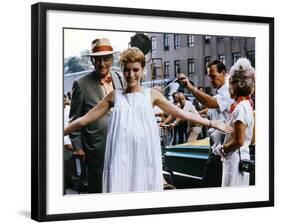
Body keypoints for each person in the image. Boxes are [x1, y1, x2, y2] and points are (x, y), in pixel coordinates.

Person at [65, 47, 232, 193]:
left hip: (144, 156)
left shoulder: (151, 95)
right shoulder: (114, 96)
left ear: (143, 69)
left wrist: (211, 123)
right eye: (127, 70)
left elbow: (183, 114)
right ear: (122, 70)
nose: (131, 75)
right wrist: (60, 132)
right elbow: (84, 119)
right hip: (120, 157)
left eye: (135, 70)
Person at [68, 38, 124, 193]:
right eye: (97, 60)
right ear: (92, 60)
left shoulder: (121, 78)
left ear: (112, 59)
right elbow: (74, 118)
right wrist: (78, 147)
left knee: (120, 188)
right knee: (98, 190)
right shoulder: (80, 84)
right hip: (95, 151)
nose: (102, 64)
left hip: (122, 147)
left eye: (106, 59)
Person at [178, 60, 234, 187]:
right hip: (215, 151)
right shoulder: (219, 93)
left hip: (222, 153)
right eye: (209, 77)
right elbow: (211, 114)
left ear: (223, 73)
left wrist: (191, 88)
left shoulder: (228, 92)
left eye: (213, 76)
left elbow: (210, 102)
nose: (211, 80)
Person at [212, 58, 255, 186]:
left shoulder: (240, 108)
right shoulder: (247, 105)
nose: (228, 88)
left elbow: (238, 141)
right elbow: (249, 138)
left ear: (235, 86)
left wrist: (222, 148)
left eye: (229, 84)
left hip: (235, 160)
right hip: (242, 158)